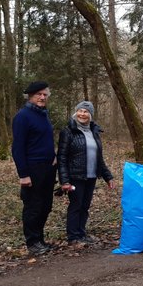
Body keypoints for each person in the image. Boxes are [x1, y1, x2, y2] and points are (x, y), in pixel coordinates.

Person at [57, 101, 116, 244]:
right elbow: (62, 157)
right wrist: (64, 180)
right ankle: (73, 236)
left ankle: (81, 234)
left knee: (85, 206)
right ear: (76, 112)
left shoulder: (93, 132)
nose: (82, 114)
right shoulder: (68, 131)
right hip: (75, 176)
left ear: (90, 115)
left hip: (91, 176)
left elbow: (98, 157)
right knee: (76, 205)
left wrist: (108, 176)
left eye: (86, 112)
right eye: (80, 111)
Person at [11, 81, 57, 256]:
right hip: (32, 169)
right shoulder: (23, 116)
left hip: (48, 169)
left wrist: (53, 157)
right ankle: (32, 242)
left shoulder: (43, 114)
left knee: (46, 206)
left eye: (45, 94)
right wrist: (23, 174)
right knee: (33, 206)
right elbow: (17, 148)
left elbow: (44, 140)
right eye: (39, 94)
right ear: (30, 96)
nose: (42, 97)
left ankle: (40, 239)